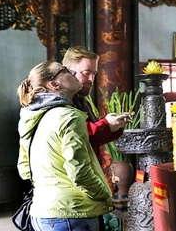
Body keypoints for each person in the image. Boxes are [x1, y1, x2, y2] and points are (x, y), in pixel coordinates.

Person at [17, 61, 112, 231]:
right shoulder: (69, 116)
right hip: (73, 213)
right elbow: (79, 172)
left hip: (41, 211)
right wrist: (104, 194)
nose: (73, 73)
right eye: (65, 70)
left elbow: (24, 168)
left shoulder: (31, 116)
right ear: (54, 84)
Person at [62, 46, 129, 194]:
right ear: (68, 70)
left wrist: (115, 126)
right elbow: (77, 134)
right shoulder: (60, 102)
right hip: (70, 183)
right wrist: (105, 125)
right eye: (86, 73)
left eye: (94, 73)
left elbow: (94, 137)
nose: (91, 79)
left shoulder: (81, 100)